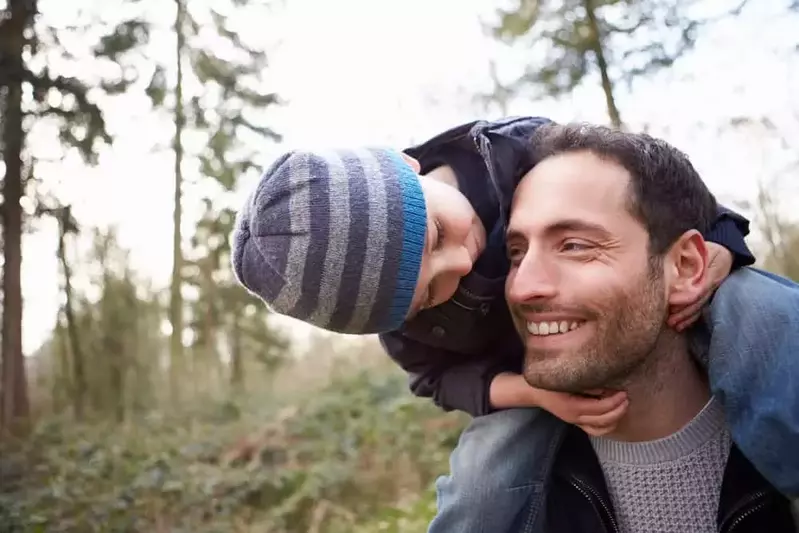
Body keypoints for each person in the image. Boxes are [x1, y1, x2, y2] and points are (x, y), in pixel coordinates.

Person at [231, 117, 799, 533]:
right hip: (530, 382)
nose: (458, 265)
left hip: (684, 291)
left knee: (760, 314)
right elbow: (437, 381)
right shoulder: (406, 330)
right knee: (482, 481)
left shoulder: (518, 152)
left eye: (433, 238)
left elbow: (658, 196)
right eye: (429, 294)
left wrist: (723, 248)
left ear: (408, 166)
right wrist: (533, 394)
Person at [500, 122, 795, 531]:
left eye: (575, 246)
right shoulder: (503, 500)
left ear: (687, 267)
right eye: (516, 253)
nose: (522, 287)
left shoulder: (786, 450)